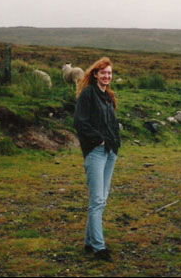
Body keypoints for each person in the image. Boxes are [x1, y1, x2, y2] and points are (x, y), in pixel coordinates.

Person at [74, 57, 121, 262]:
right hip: (96, 152)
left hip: (110, 152)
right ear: (95, 74)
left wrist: (114, 143)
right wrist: (98, 140)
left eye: (109, 73)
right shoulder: (88, 94)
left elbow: (112, 122)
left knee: (102, 199)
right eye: (103, 73)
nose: (107, 76)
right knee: (97, 200)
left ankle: (88, 242)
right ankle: (99, 248)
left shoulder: (108, 96)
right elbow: (80, 122)